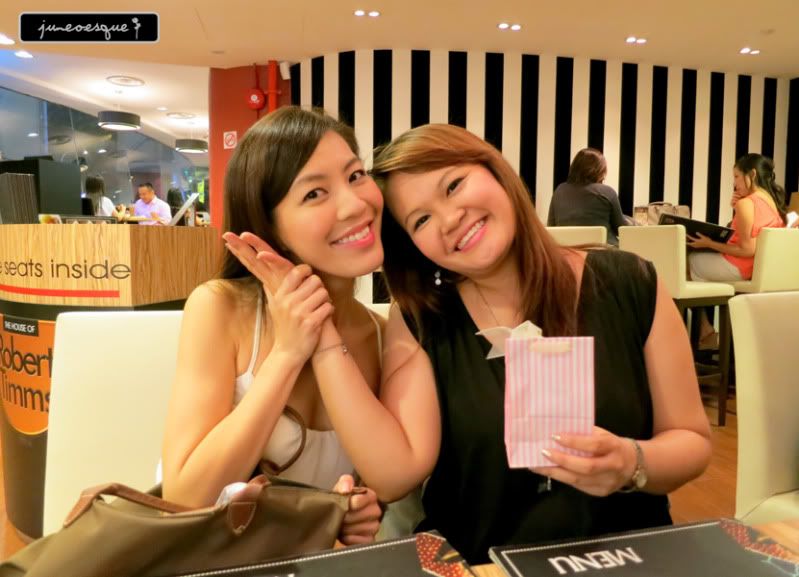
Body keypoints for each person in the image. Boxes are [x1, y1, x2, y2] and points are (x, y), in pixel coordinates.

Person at [245, 123, 711, 564]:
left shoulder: (630, 282)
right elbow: (393, 475)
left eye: (454, 186)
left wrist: (632, 463)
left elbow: (691, 441)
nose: (450, 219)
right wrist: (321, 329)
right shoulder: (423, 319)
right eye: (421, 220)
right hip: (480, 565)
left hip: (623, 559)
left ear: (494, 170)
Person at [161, 107, 384, 545]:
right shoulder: (221, 307)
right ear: (270, 226)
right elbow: (185, 497)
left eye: (356, 175)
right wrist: (288, 352)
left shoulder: (379, 335)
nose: (356, 204)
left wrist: (349, 511)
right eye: (315, 193)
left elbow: (380, 485)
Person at [688, 153, 787, 346]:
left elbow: (747, 249)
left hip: (739, 267)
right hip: (754, 270)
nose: (734, 183)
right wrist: (736, 209)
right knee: (693, 262)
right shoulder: (771, 202)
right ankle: (706, 332)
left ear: (752, 174)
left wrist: (709, 243)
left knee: (683, 262)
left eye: (736, 176)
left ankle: (705, 332)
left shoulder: (746, 203)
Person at [547, 148, 627, 245]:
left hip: (569, 250)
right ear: (599, 170)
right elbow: (622, 229)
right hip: (604, 250)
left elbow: (551, 226)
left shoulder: (559, 190)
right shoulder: (607, 192)